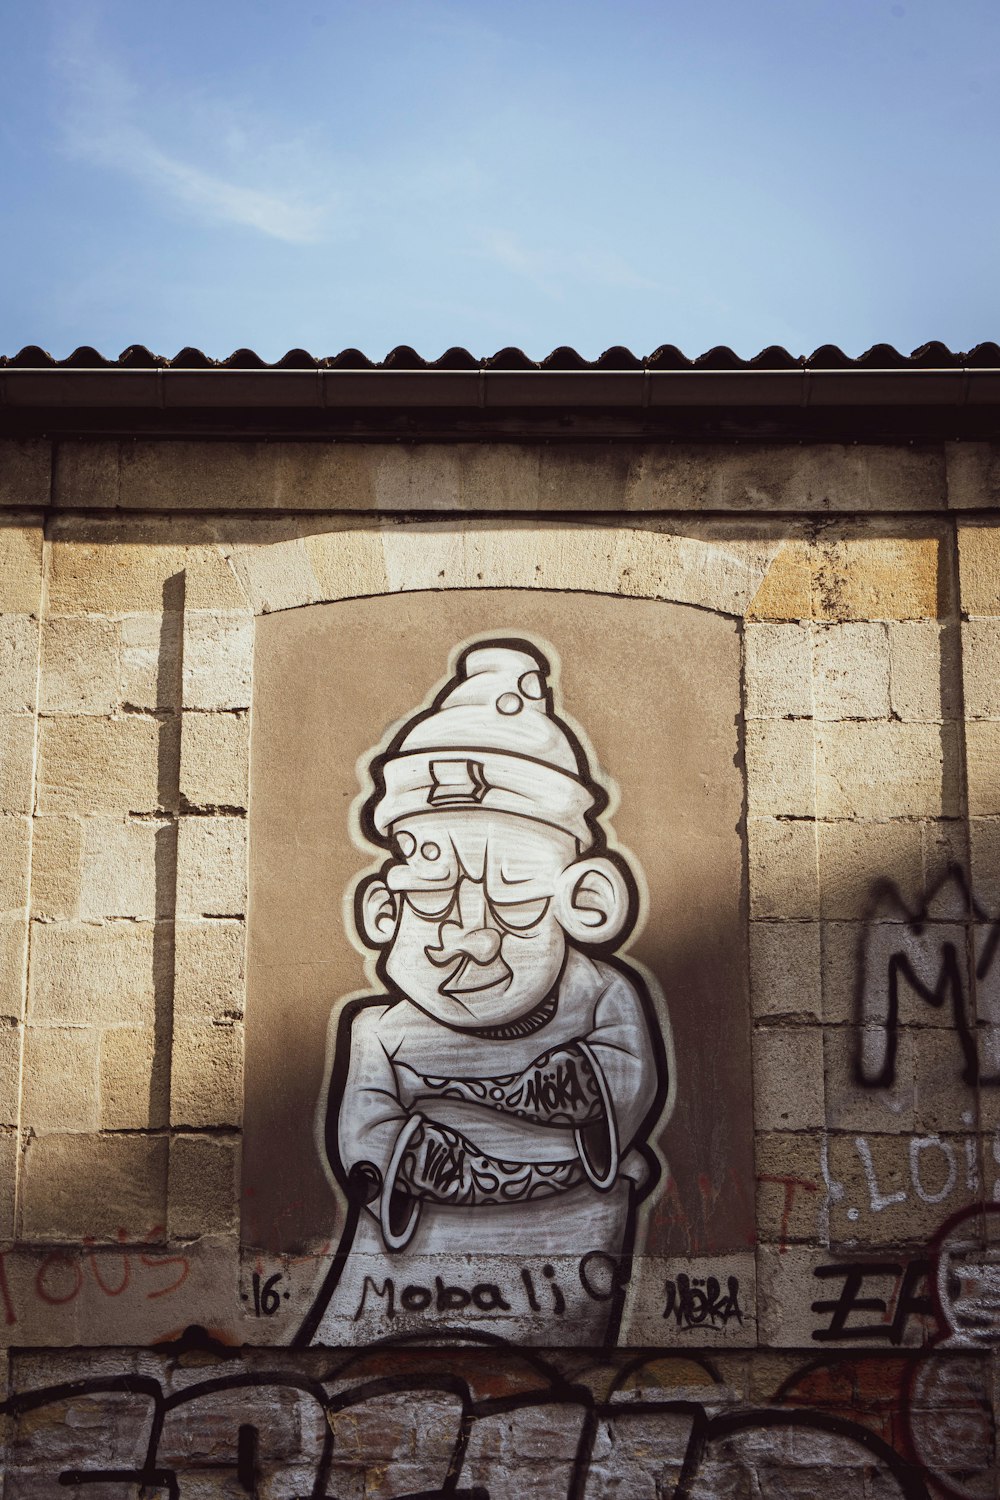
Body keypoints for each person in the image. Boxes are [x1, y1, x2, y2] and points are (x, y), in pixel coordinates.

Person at [304, 639, 667, 1346]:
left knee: (550, 1396)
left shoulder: (602, 996)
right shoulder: (379, 1032)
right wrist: (433, 1161)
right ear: (384, 912)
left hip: (564, 1264)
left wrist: (489, 1103)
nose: (473, 937)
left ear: (585, 900)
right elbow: (369, 1137)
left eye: (512, 899)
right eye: (435, 902)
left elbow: (620, 1083)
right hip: (394, 1281)